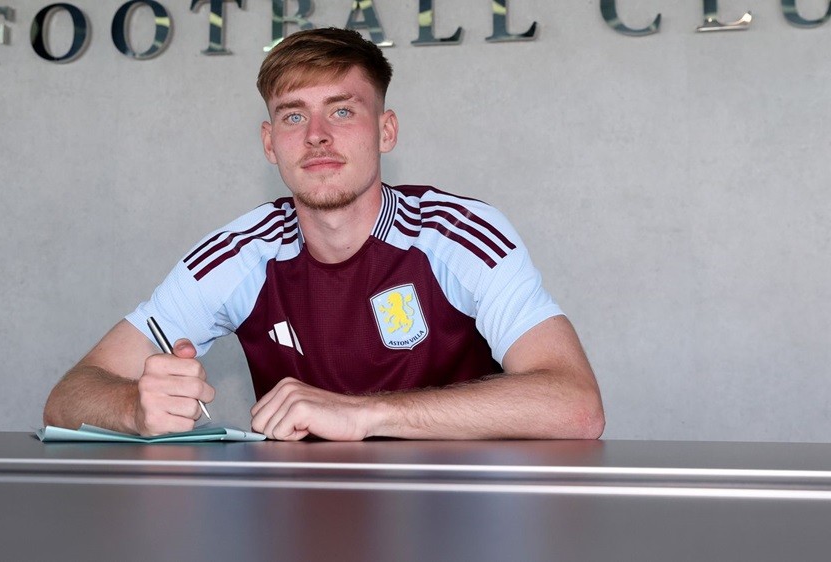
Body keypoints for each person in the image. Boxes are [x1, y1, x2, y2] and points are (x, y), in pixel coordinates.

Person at [43, 27, 604, 441]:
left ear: (385, 130)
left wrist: (366, 412)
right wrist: (134, 407)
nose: (315, 136)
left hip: (458, 519)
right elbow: (68, 396)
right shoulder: (240, 254)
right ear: (270, 144)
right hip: (299, 526)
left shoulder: (457, 234)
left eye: (341, 112)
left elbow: (576, 405)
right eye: (293, 116)